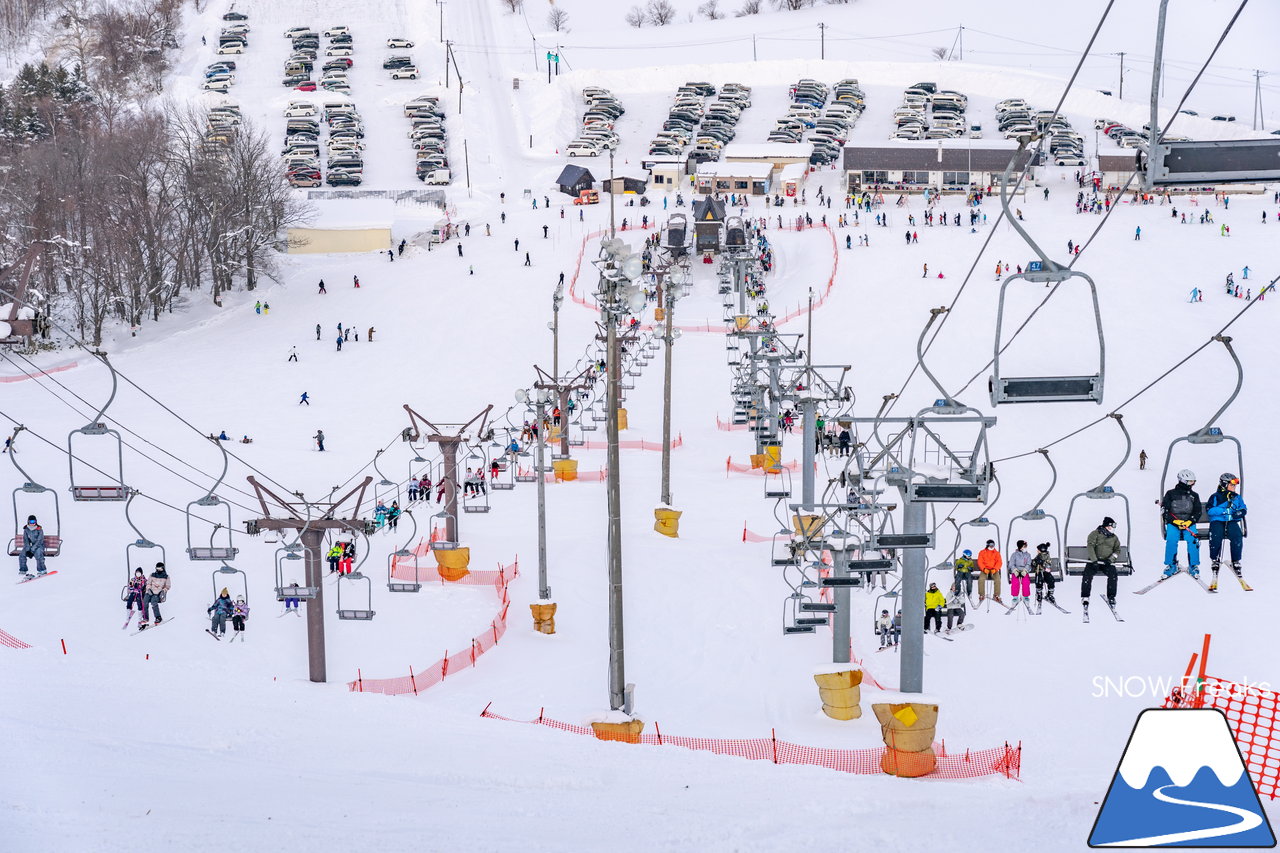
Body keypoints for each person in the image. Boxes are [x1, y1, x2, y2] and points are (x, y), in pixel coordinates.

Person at [1161, 469, 1202, 577]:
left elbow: (1198, 511)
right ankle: (1171, 564)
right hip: (1174, 524)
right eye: (1190, 482)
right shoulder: (1170, 494)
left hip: (1188, 523)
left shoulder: (1194, 495)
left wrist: (1190, 521)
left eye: (1193, 482)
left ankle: (1193, 565)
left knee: (1193, 539)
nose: (1192, 484)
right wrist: (1174, 521)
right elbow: (1165, 511)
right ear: (1183, 481)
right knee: (1171, 539)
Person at [1206, 473, 1246, 579]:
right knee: (1216, 535)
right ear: (1224, 484)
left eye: (1235, 485)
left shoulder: (1237, 497)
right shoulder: (1215, 497)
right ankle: (1215, 559)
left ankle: (1236, 560)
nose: (1234, 487)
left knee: (1237, 535)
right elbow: (1210, 510)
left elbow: (1243, 508)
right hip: (1217, 521)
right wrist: (1224, 511)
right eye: (1232, 485)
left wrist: (1238, 513)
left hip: (1231, 521)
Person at [1082, 517, 1122, 607]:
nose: (1113, 529)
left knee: (1113, 574)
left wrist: (1110, 560)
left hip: (1106, 562)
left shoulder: (1114, 538)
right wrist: (1094, 560)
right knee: (1087, 574)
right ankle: (1085, 596)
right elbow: (1090, 546)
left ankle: (1111, 596)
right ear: (1107, 526)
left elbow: (1117, 550)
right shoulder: (1095, 534)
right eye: (1111, 527)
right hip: (1094, 561)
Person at [140, 562, 170, 629]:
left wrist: (163, 591)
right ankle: (145, 618)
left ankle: (158, 617)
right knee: (145, 602)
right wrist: (148, 588)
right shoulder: (152, 575)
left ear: (162, 568)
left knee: (154, 602)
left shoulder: (166, 577)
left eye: (160, 568)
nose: (158, 569)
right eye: (157, 568)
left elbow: (167, 586)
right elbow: (148, 583)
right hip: (150, 591)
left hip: (157, 593)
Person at [1008, 540, 1032, 606]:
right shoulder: (1014, 555)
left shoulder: (1028, 555)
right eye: (1024, 546)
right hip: (1016, 571)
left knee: (1026, 582)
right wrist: (1015, 570)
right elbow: (1011, 564)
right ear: (1020, 547)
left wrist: (1025, 570)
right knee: (1015, 582)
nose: (1025, 548)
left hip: (1024, 571)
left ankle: (1026, 596)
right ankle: (1015, 597)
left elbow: (1028, 564)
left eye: (1026, 546)